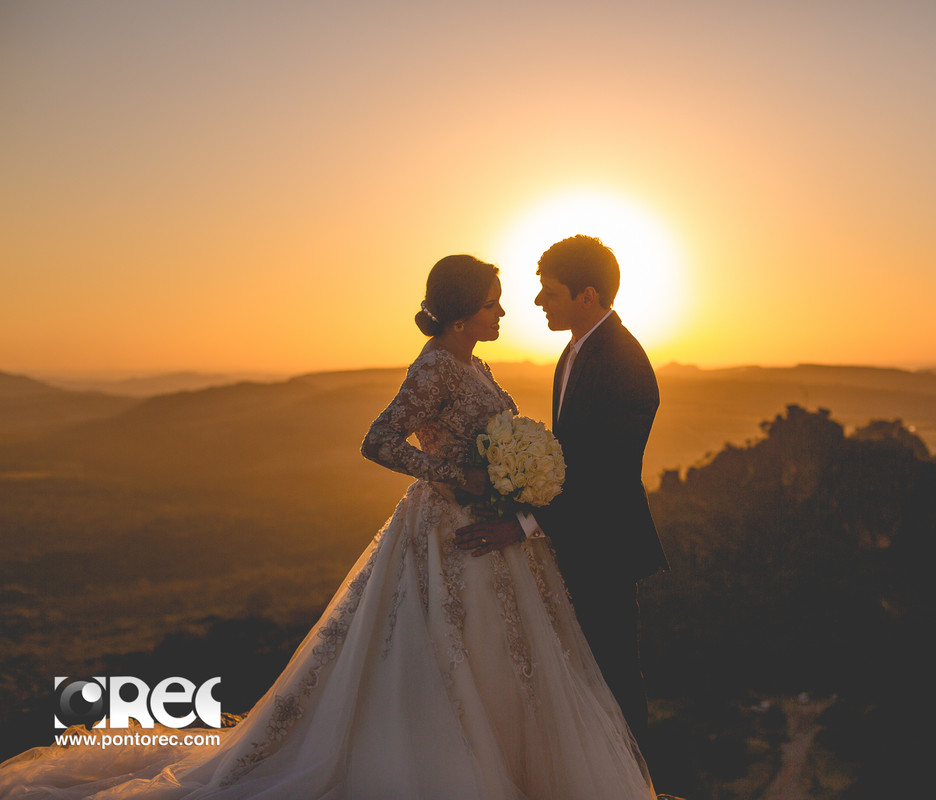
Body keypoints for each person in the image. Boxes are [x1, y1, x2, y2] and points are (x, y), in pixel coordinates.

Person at [0, 255, 656, 799]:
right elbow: (378, 441)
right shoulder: (432, 367)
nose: (505, 311)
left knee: (498, 652)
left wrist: (513, 482)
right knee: (441, 654)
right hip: (448, 528)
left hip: (495, 531)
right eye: (494, 302)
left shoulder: (478, 365)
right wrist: (459, 476)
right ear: (464, 311)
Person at [455, 235, 668, 744]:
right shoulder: (575, 351)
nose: (537, 302)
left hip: (604, 544)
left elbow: (604, 475)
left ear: (587, 296)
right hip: (575, 540)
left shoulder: (622, 362)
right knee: (582, 673)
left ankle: (634, 787)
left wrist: (524, 524)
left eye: (549, 292)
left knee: (612, 672)